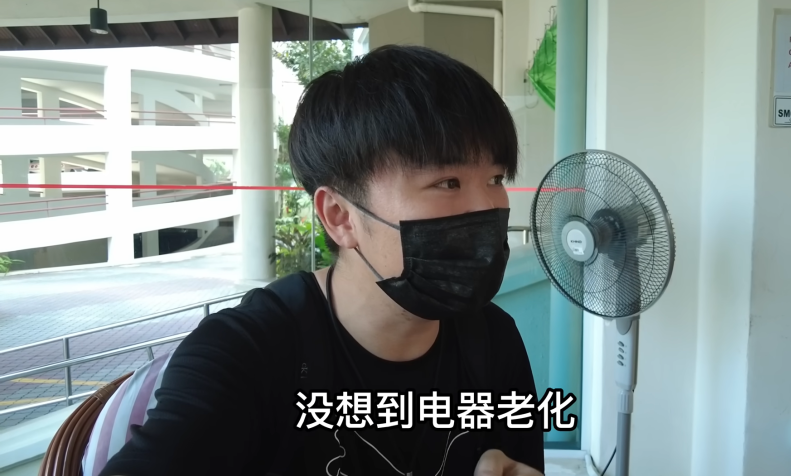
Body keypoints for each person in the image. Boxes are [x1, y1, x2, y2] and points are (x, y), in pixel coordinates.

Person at [100, 45, 545, 476]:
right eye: (448, 182)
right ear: (340, 216)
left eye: (495, 178)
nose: (487, 207)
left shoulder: (493, 340)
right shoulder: (247, 354)